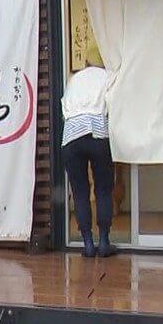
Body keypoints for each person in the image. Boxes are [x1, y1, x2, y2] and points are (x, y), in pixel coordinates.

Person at [62, 63, 117, 258]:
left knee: (80, 192)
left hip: (71, 137)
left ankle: (87, 244)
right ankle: (104, 242)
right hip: (97, 134)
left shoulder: (74, 79)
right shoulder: (108, 76)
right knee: (103, 190)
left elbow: (65, 107)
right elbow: (115, 106)